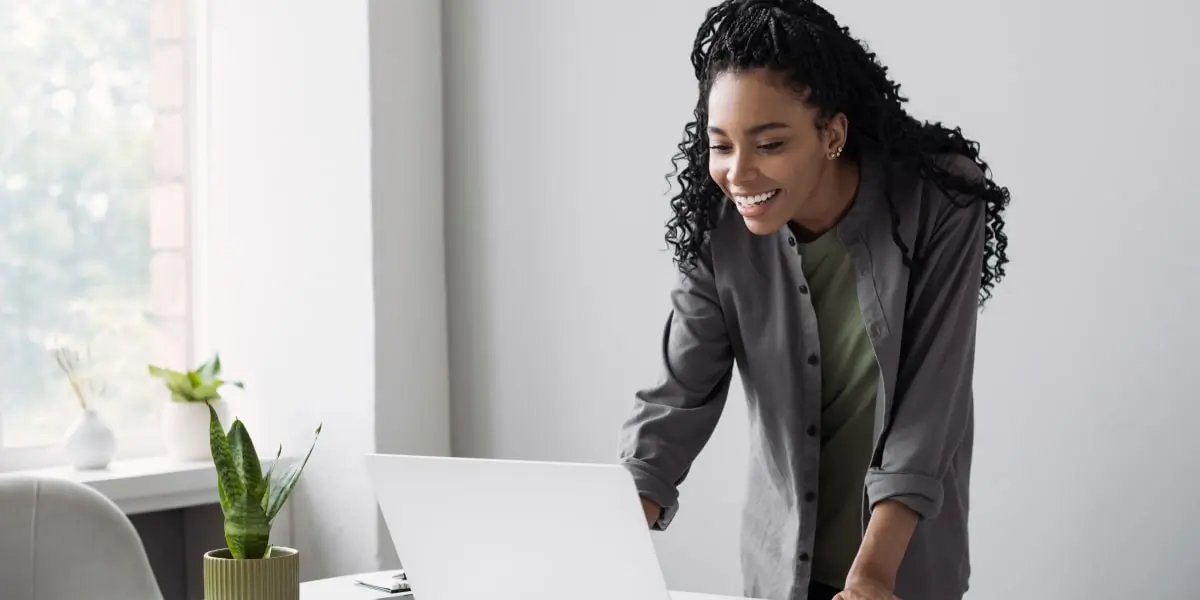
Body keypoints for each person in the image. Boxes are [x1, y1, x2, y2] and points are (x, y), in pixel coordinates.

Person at [617, 1, 1010, 600]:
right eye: (720, 147)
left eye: (769, 144)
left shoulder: (940, 200)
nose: (739, 173)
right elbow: (677, 400)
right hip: (779, 576)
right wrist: (603, 546)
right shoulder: (718, 230)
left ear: (832, 134)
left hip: (900, 574)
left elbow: (932, 407)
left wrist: (872, 575)